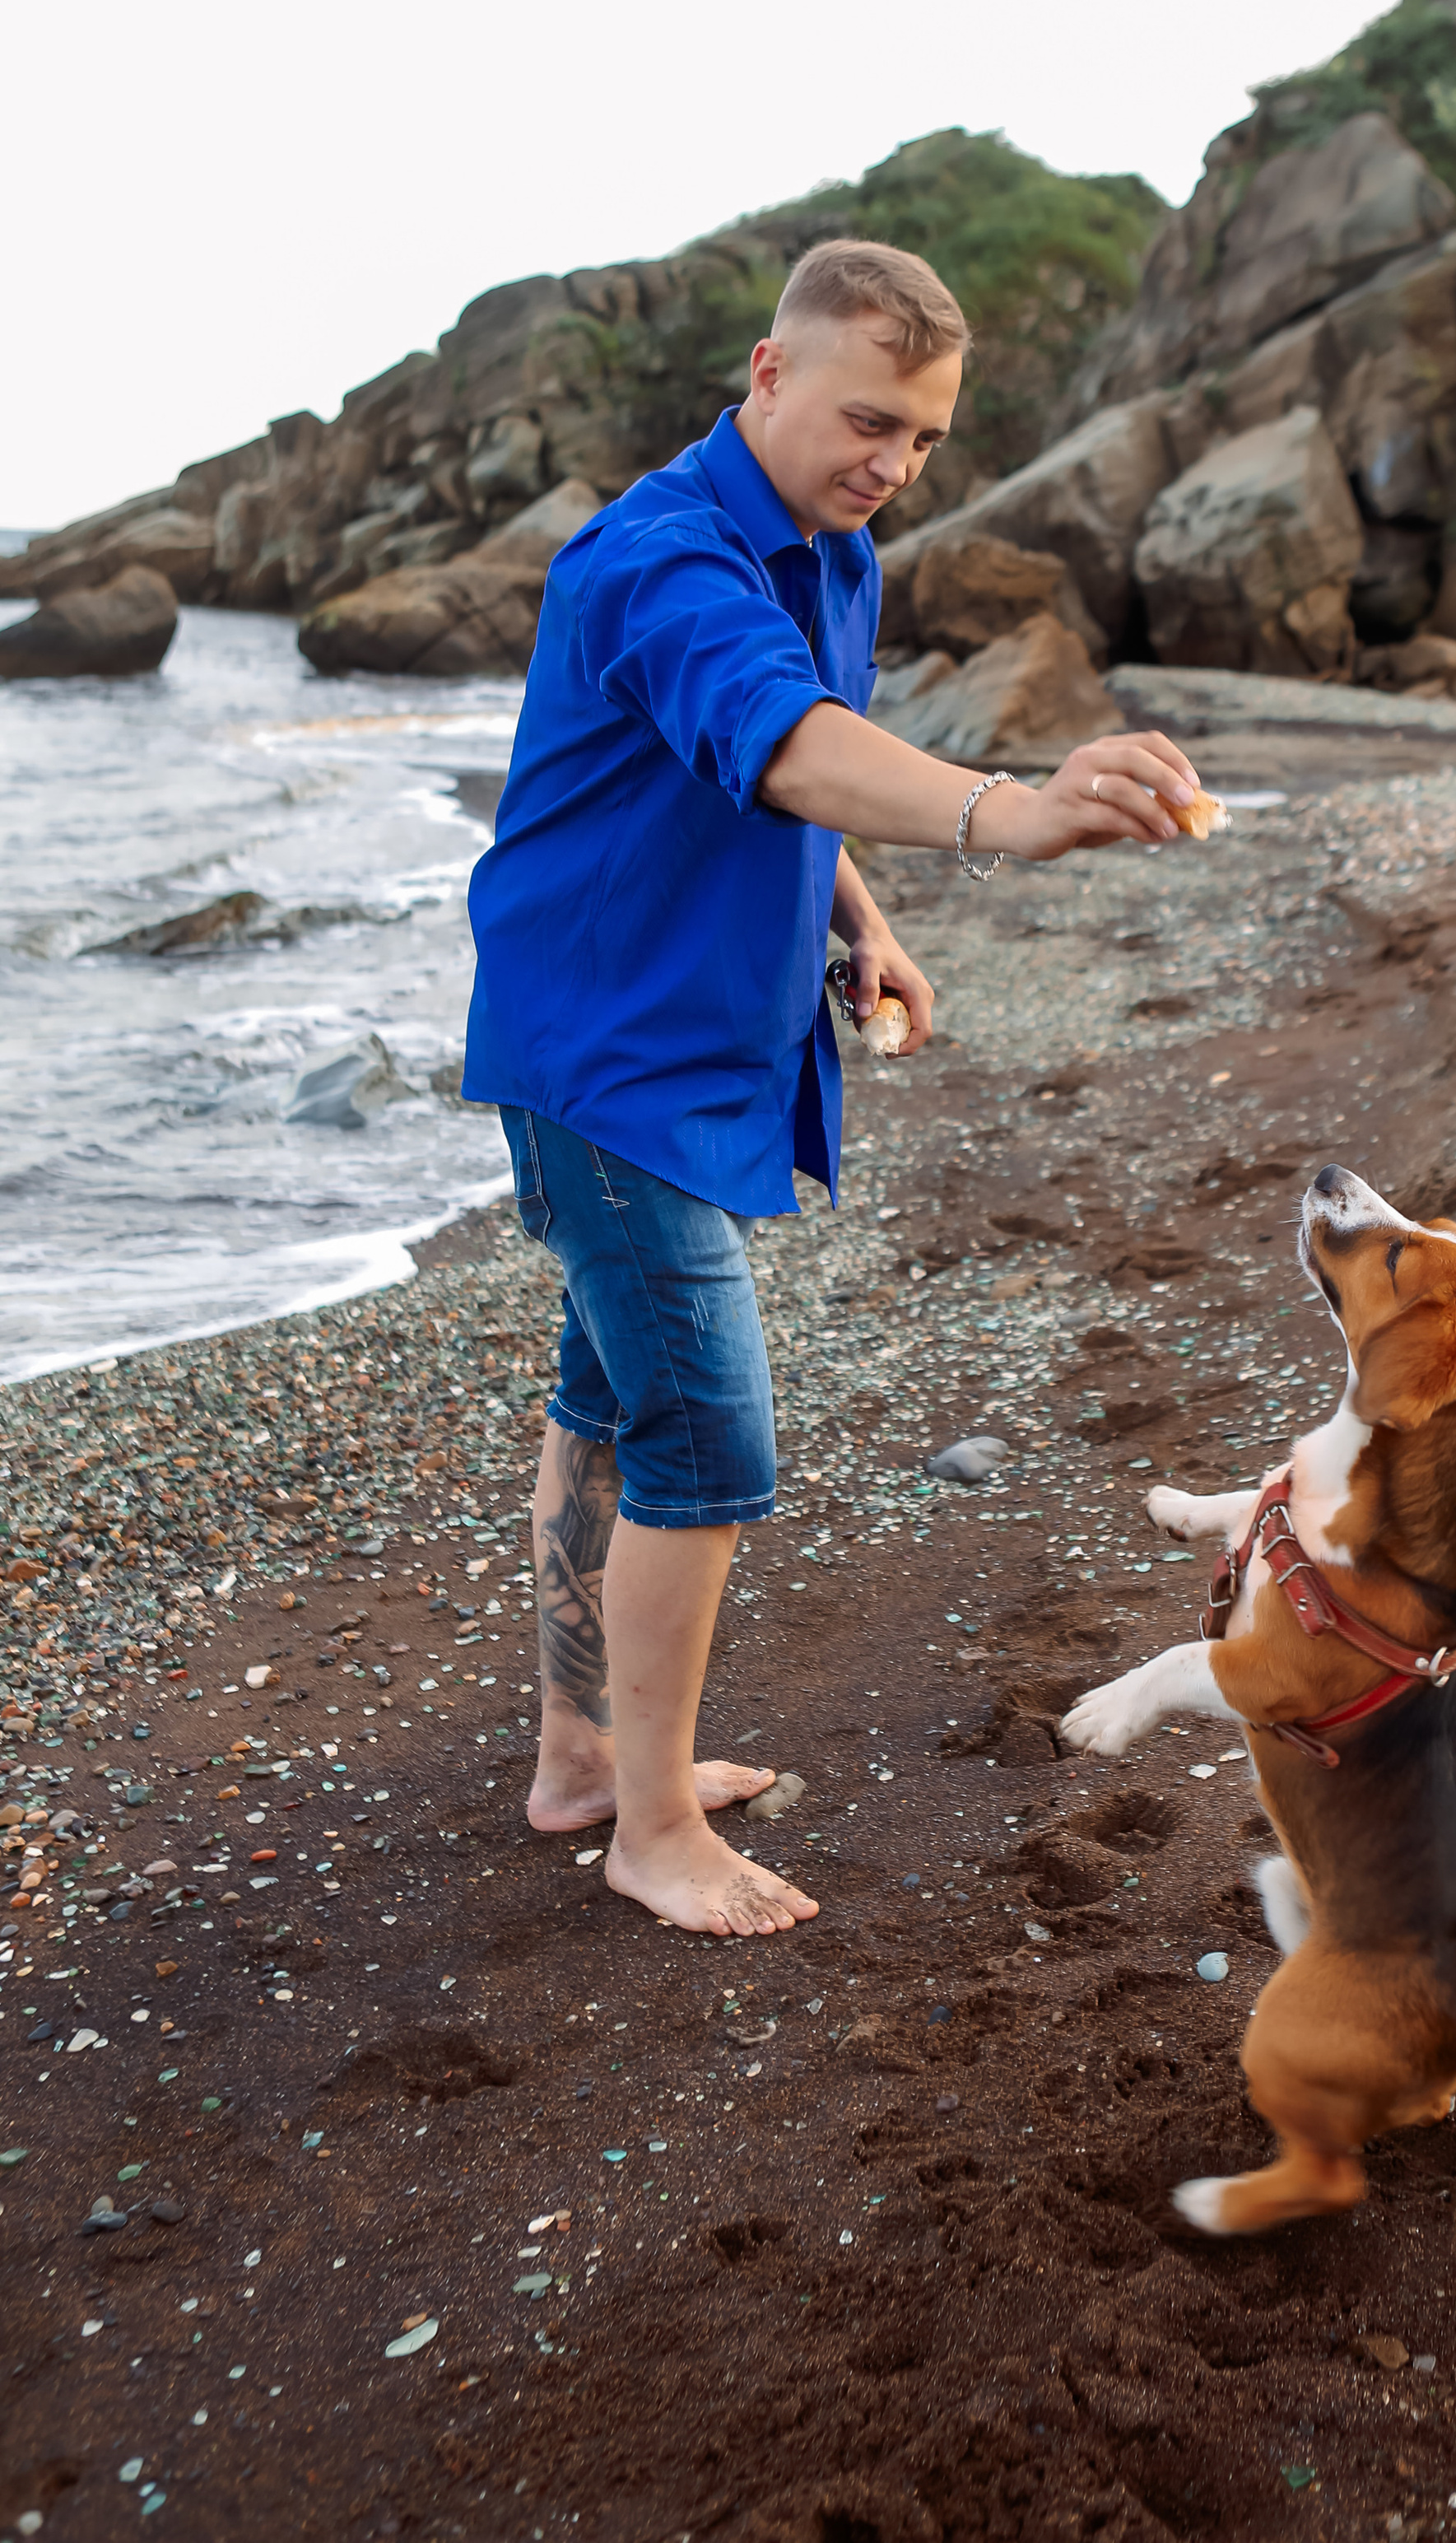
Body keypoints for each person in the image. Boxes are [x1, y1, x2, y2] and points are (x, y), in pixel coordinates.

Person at [462, 238, 1204, 1939]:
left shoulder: (836, 548)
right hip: (601, 1051)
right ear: (767, 371)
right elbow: (780, 735)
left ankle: (582, 1758)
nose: (892, 462)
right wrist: (1004, 809)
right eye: (869, 418)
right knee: (706, 1432)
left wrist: (860, 922)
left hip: (706, 1031)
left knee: (608, 1388)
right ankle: (649, 1828)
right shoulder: (657, 557)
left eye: (928, 439)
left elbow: (780, 772)